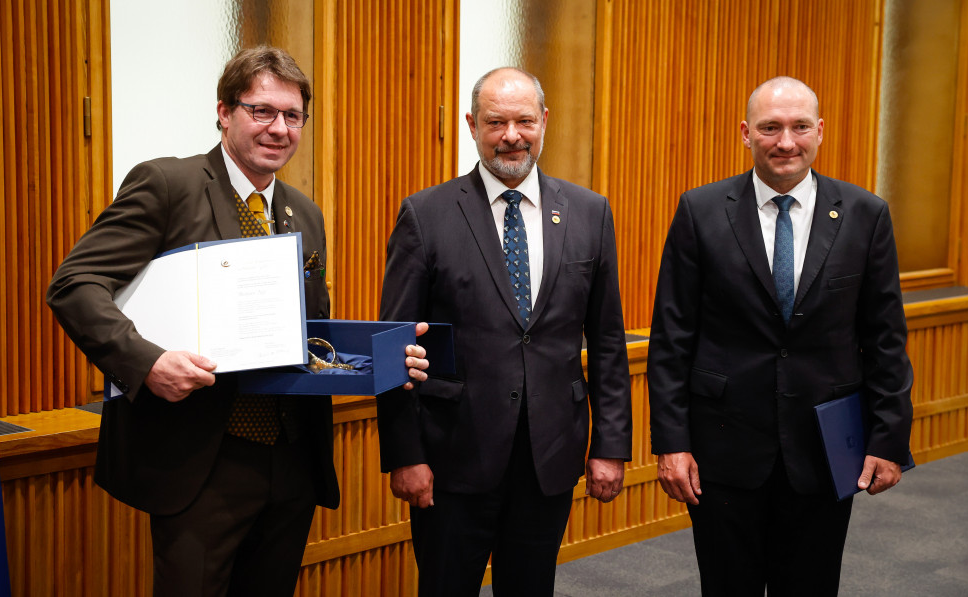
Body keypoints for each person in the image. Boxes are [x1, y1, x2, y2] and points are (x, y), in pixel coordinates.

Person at [46, 46, 429, 597]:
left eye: (293, 115)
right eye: (261, 111)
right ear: (224, 112)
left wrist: (385, 355)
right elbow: (75, 284)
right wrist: (147, 362)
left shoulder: (305, 213)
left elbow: (309, 332)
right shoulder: (167, 185)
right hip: (202, 459)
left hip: (292, 458)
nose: (279, 128)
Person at [647, 76, 914, 596]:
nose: (785, 142)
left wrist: (888, 439)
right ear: (746, 133)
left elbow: (885, 338)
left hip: (826, 448)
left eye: (798, 128)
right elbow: (672, 337)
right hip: (722, 450)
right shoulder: (700, 211)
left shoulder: (865, 214)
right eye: (770, 128)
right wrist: (671, 442)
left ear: (820, 131)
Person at [376, 67, 633, 596]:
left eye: (523, 121)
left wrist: (611, 445)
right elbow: (393, 344)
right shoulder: (426, 215)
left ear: (544, 121)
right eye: (496, 122)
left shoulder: (589, 212)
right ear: (472, 125)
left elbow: (607, 341)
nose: (511, 135)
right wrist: (406, 454)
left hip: (550, 456)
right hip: (452, 458)